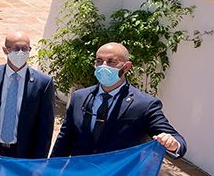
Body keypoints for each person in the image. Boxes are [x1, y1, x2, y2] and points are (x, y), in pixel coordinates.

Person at [51, 42, 186, 158]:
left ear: (126, 67)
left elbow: (177, 141)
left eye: (111, 62)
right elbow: (64, 139)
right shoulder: (80, 97)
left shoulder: (144, 104)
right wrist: (50, 171)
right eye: (99, 61)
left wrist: (173, 144)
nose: (103, 66)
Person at [0, 31, 55, 158]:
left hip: (22, 153)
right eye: (16, 48)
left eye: (25, 49)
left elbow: (45, 126)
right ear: (5, 50)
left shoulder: (43, 83)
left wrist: (39, 162)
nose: (21, 53)